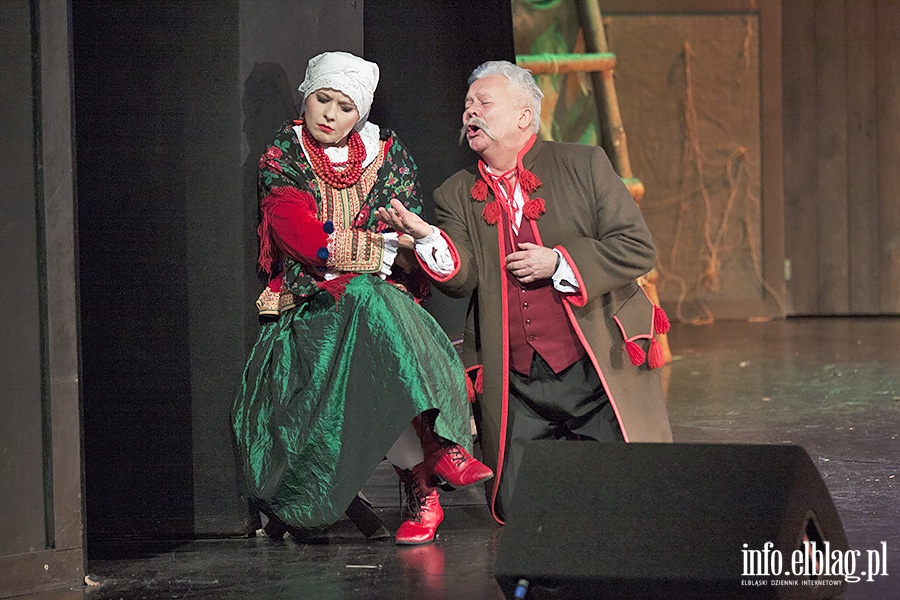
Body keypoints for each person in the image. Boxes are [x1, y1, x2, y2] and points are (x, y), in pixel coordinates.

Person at [376, 60, 672, 523]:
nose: (470, 112)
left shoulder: (583, 163)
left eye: (483, 102)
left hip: (595, 366)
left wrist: (560, 262)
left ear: (523, 116)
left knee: (632, 497)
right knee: (519, 508)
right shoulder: (456, 193)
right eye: (467, 104)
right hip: (518, 382)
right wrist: (429, 238)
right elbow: (462, 280)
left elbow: (636, 247)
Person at [232, 51, 493, 546]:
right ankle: (434, 459)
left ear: (362, 113)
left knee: (375, 308)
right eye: (322, 100)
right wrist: (381, 248)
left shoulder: (387, 155)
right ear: (306, 99)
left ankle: (425, 485)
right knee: (372, 301)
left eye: (344, 107)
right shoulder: (282, 157)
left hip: (377, 303)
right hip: (310, 306)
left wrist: (375, 248)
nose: (330, 114)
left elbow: (406, 230)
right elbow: (304, 240)